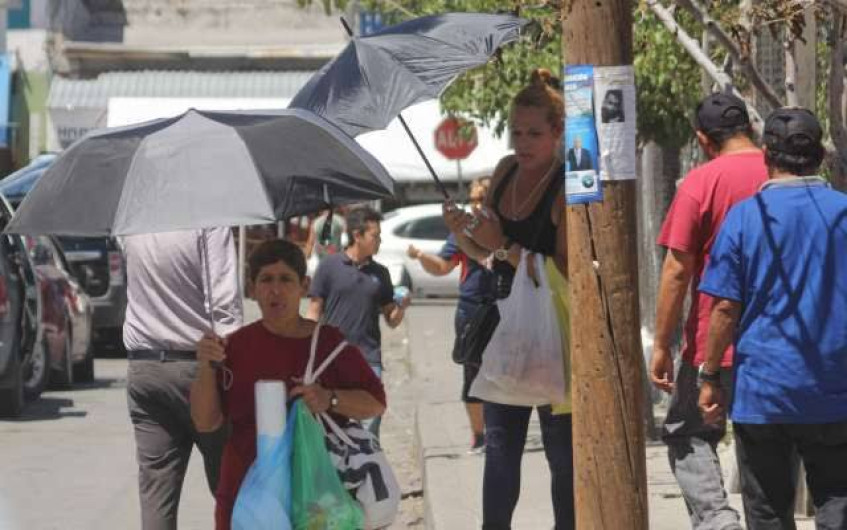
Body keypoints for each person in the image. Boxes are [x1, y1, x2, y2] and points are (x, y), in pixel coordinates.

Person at [698, 108, 847, 530]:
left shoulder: (746, 218)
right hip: (835, 390)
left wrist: (709, 375)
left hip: (764, 394)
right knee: (838, 499)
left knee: (767, 513)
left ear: (766, 154)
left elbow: (725, 308)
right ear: (820, 155)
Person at [443, 68, 573, 530]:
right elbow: (486, 255)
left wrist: (500, 246)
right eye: (516, 131)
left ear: (557, 132)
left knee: (563, 453)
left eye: (534, 132)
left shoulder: (565, 186)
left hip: (552, 331)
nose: (523, 141)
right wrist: (465, 235)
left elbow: (566, 270)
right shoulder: (504, 171)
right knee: (499, 448)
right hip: (501, 325)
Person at [190, 239, 386, 530]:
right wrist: (205, 366)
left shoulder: (329, 344)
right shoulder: (232, 348)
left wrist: (329, 398)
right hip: (247, 498)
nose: (276, 290)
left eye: (286, 279)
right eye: (266, 280)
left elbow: (376, 402)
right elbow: (205, 423)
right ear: (252, 288)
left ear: (304, 286)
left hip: (315, 501)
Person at [649, 92, 767, 530]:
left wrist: (661, 344)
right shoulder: (783, 173)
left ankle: (718, 520)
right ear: (751, 129)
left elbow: (678, 270)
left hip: (712, 342)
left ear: (702, 139)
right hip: (778, 341)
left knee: (688, 432)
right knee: (765, 440)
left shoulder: (701, 182)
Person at [122, 228, 243, 530]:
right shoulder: (210, 222)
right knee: (232, 489)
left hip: (145, 369)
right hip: (202, 369)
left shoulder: (133, 222)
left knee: (156, 495)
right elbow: (225, 306)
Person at [407, 177, 495, 454]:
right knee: (472, 372)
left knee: (506, 373)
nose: (479, 205)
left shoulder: (502, 229)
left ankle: (500, 431)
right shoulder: (461, 231)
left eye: (485, 199)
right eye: (475, 199)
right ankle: (479, 435)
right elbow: (442, 267)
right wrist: (421, 255)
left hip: (505, 307)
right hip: (472, 309)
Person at [306, 206, 410, 438]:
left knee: (370, 425)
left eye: (380, 236)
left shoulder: (380, 273)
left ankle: (368, 469)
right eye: (375, 236)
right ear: (357, 235)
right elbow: (314, 312)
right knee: (332, 423)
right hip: (333, 358)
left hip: (369, 358)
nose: (379, 241)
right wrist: (306, 351)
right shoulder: (329, 267)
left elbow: (391, 319)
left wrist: (401, 307)